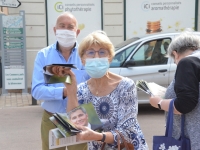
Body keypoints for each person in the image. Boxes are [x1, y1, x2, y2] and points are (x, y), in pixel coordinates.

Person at [65, 30, 148, 150]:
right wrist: (71, 90)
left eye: (102, 52)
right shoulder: (82, 90)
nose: (96, 57)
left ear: (110, 57)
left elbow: (127, 132)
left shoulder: (125, 86)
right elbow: (75, 124)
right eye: (91, 53)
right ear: (82, 60)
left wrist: (98, 136)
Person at [31, 12, 89, 150]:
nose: (66, 30)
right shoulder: (43, 56)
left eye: (70, 27)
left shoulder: (86, 55)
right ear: (55, 30)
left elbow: (94, 88)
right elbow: (37, 91)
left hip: (80, 119)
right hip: (52, 119)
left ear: (77, 31)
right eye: (62, 26)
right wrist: (65, 91)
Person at [149, 31, 200, 150]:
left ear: (175, 54)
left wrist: (158, 102)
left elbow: (184, 104)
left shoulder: (187, 63)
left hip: (193, 141)